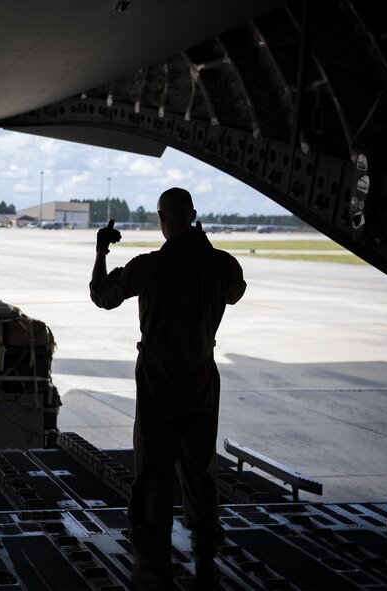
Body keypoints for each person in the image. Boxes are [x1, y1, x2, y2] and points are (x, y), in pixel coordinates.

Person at [89, 187, 246, 589]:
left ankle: (153, 569)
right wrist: (206, 247)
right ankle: (206, 555)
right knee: (200, 467)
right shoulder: (221, 266)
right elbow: (235, 290)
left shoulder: (148, 267)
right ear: (193, 216)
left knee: (153, 473)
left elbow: (101, 296)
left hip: (157, 380)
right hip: (200, 378)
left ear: (162, 219)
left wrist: (101, 251)